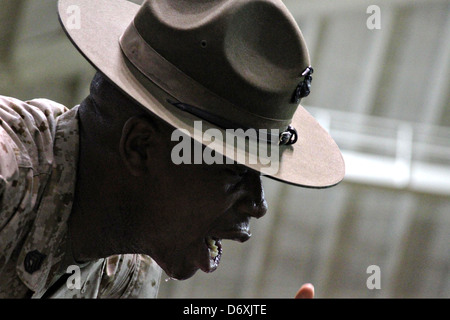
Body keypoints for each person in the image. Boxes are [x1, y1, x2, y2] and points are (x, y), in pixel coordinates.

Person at [0, 0, 344, 298]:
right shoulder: (8, 174)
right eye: (237, 171)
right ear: (140, 147)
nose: (258, 206)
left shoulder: (128, 279)